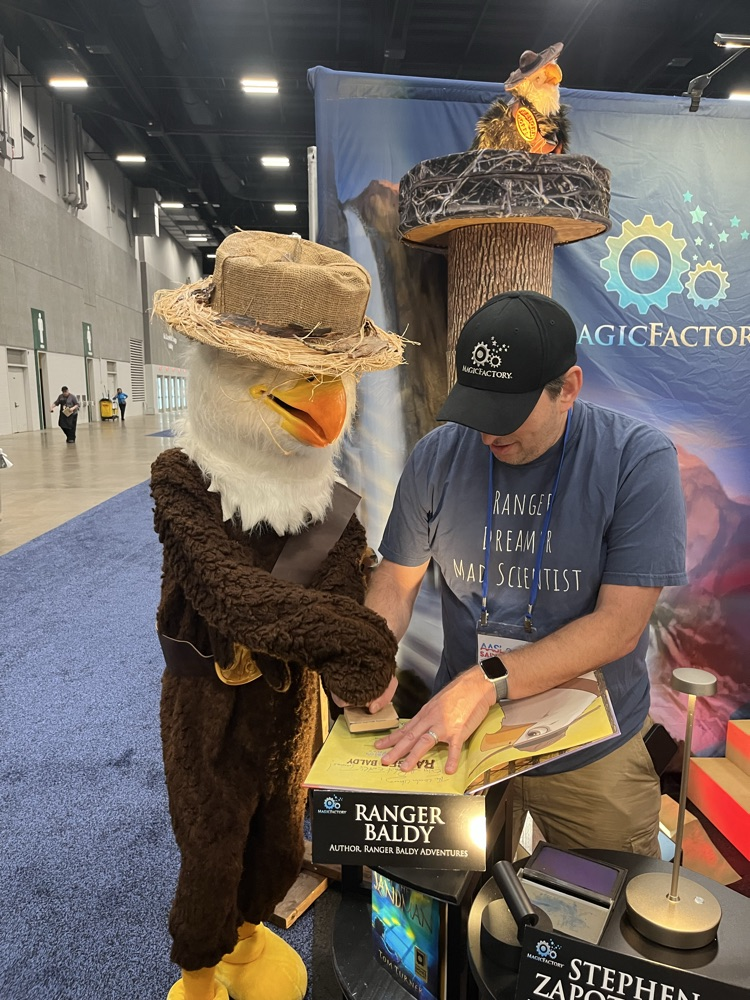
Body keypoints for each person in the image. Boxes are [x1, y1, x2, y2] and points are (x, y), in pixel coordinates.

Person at [367, 290, 688, 858]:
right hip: (461, 734)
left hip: (589, 744)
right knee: (453, 895)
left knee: (602, 902)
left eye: (508, 415)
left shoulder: (637, 460)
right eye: (477, 412)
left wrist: (485, 681)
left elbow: (618, 626)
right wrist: (369, 656)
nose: (488, 436)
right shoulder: (438, 456)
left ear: (568, 389)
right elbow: (396, 581)